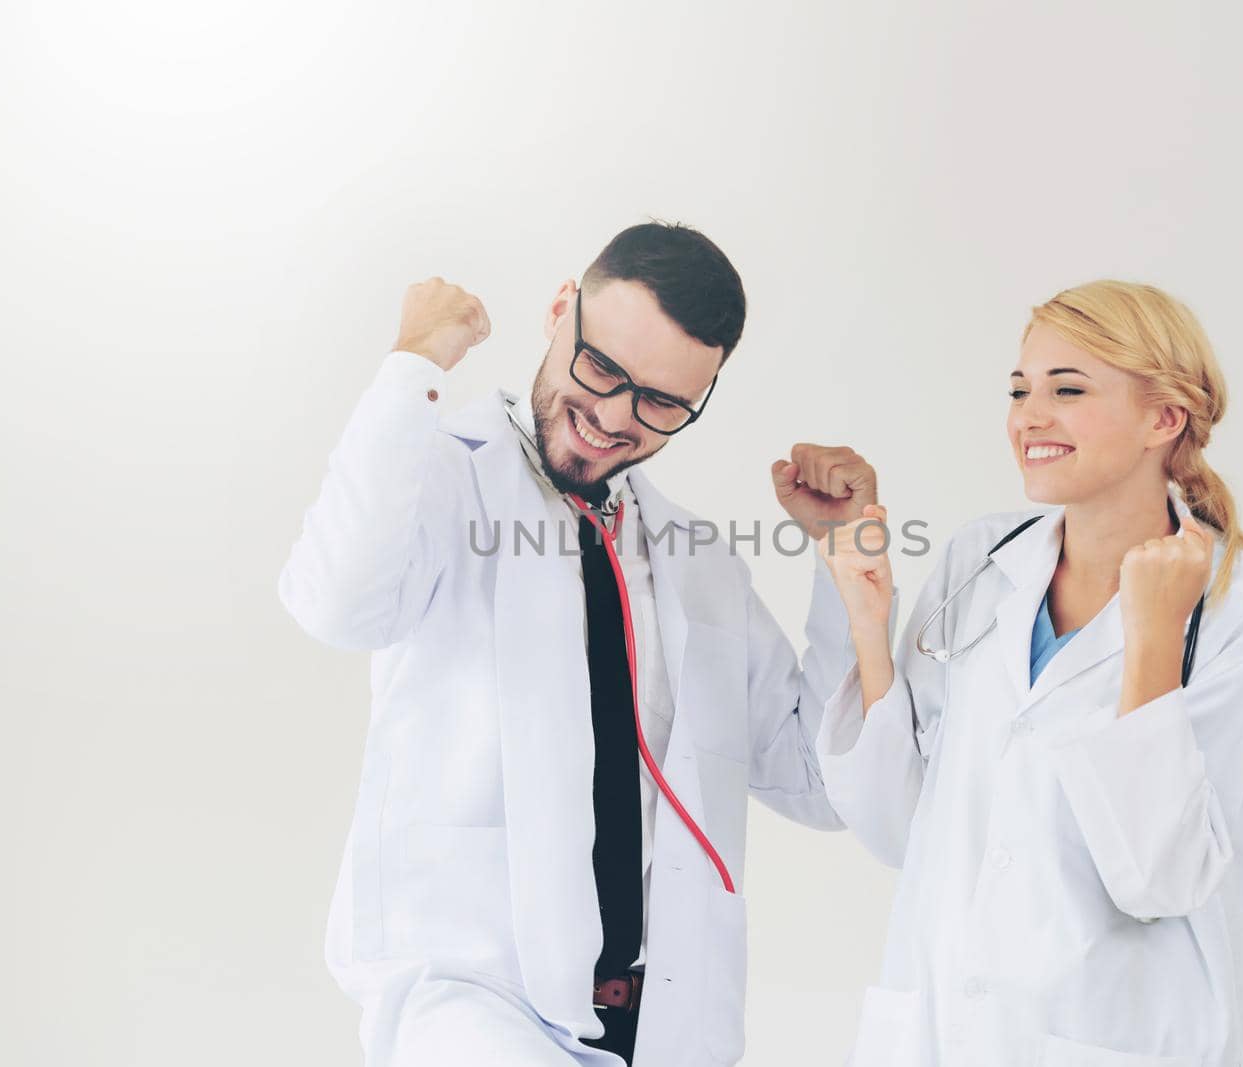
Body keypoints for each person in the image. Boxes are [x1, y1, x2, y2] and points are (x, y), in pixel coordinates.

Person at [278, 222, 877, 1066]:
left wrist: (842, 554)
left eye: (662, 403)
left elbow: (822, 782)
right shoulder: (447, 477)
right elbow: (337, 605)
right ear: (562, 309)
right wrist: (413, 363)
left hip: (664, 1029)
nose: (612, 417)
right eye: (600, 368)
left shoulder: (694, 560)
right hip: (471, 1010)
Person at [816, 280, 1243, 1067]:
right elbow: (901, 827)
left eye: (1067, 389)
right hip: (938, 1030)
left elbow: (1160, 878)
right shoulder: (982, 559)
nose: (1028, 417)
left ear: (1164, 417)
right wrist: (871, 631)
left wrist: (1152, 638)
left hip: (1123, 1034)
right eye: (1019, 390)